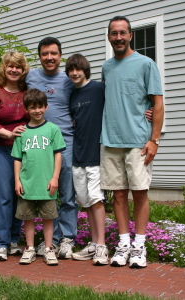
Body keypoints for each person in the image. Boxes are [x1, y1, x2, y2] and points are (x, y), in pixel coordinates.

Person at [0, 37, 77, 259]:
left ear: (60, 55)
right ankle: (11, 242)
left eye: (54, 53)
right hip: (17, 147)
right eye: (45, 53)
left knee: (60, 194)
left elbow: (86, 92)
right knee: (14, 195)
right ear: (39, 57)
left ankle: (61, 240)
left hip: (53, 144)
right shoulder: (18, 82)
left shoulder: (61, 80)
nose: (49, 57)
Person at [101, 16, 164, 268]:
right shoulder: (106, 67)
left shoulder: (146, 64)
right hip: (110, 140)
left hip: (138, 141)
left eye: (122, 33)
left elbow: (157, 103)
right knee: (117, 195)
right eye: (114, 33)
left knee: (140, 193)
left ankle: (139, 245)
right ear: (109, 37)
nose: (118, 38)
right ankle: (124, 243)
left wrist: (154, 139)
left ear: (130, 36)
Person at [11, 89, 66, 266]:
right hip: (27, 184)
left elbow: (58, 154)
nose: (37, 110)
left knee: (48, 217)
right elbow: (18, 159)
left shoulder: (52, 129)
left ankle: (49, 249)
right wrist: (17, 180)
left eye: (40, 107)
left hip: (46, 183)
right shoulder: (21, 132)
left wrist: (55, 177)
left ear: (46, 107)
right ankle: (29, 249)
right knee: (28, 218)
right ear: (26, 109)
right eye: (33, 107)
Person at [0, 52, 30, 261]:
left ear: (23, 69)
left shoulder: (28, 92)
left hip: (24, 151)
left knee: (20, 194)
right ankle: (0, 244)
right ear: (4, 68)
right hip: (0, 149)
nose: (14, 70)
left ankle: (13, 240)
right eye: (10, 66)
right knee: (4, 196)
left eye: (18, 67)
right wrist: (9, 134)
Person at [65, 54, 109, 265]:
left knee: (97, 200)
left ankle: (102, 246)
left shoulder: (100, 89)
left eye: (78, 69)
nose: (75, 73)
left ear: (85, 70)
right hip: (78, 155)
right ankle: (93, 243)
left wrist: (148, 110)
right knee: (87, 203)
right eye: (71, 70)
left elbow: (123, 101)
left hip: (97, 154)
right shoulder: (72, 95)